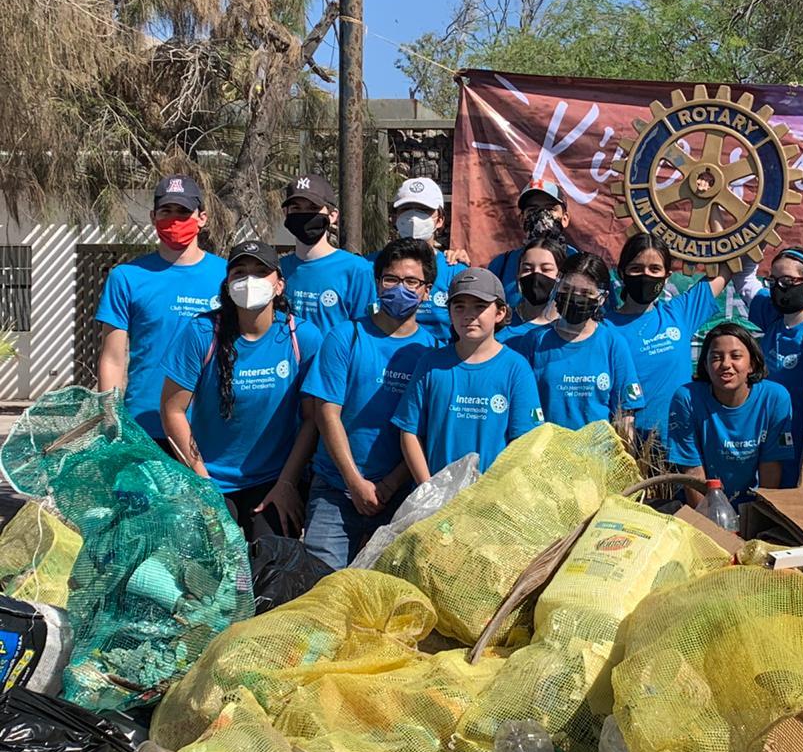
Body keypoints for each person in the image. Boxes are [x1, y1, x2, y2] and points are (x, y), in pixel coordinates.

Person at [159, 241, 322, 541]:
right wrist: (202, 484)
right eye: (240, 272)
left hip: (273, 480)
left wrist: (287, 483)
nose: (250, 280)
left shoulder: (303, 338)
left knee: (274, 569)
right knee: (216, 573)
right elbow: (172, 410)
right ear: (227, 283)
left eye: (261, 272)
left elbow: (313, 420)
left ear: (279, 285)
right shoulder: (202, 333)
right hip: (210, 479)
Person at [301, 238, 439, 569]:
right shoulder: (345, 336)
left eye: (411, 282)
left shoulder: (433, 352)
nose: (400, 289)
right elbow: (326, 414)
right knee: (318, 592)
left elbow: (424, 432)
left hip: (400, 496)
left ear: (427, 291)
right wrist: (353, 480)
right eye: (391, 280)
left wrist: (390, 484)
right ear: (378, 283)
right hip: (335, 490)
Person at [96, 174, 227, 449]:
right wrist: (109, 417)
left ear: (201, 217)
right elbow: (113, 357)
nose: (175, 219)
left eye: (183, 211)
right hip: (143, 424)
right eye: (166, 211)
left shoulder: (227, 275)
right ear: (154, 216)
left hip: (210, 425)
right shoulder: (126, 277)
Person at [394, 268, 543, 477]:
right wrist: (428, 489)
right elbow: (410, 431)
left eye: (480, 306)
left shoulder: (516, 369)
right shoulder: (431, 364)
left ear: (500, 313)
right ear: (449, 313)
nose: (469, 315)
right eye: (459, 307)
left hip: (491, 500)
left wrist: (492, 492)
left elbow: (524, 442)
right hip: (437, 501)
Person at [606, 233, 727, 444]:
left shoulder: (680, 313)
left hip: (683, 443)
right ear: (621, 273)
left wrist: (717, 207)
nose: (645, 275)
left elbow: (727, 264)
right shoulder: (603, 328)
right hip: (628, 445)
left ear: (667, 275)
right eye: (636, 268)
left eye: (654, 269)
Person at [508, 252, 645, 434]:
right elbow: (521, 407)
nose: (576, 298)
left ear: (601, 298)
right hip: (545, 455)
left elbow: (625, 414)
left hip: (597, 457)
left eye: (587, 293)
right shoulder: (534, 341)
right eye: (568, 290)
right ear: (558, 288)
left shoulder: (613, 344)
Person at [667, 322, 793, 508]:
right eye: (716, 357)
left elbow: (771, 467)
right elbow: (692, 471)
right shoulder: (686, 399)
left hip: (752, 505)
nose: (726, 365)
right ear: (705, 364)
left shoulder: (775, 398)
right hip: (702, 505)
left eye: (736, 356)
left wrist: (759, 518)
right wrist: (708, 525)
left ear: (752, 364)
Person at [748, 247, 803, 486]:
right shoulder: (775, 319)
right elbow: (745, 281)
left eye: (787, 281)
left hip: (796, 447)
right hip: (765, 442)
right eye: (772, 280)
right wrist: (743, 236)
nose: (777, 288)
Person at [279, 174, 377, 334]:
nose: (304, 215)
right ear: (285, 213)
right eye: (296, 208)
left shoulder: (357, 270)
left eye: (313, 208)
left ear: (332, 216)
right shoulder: (278, 269)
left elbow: (364, 333)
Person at [373, 175, 466, 345]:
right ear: (394, 217)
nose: (414, 217)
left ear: (440, 220)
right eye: (406, 209)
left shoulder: (454, 270)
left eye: (424, 210)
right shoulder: (370, 265)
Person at [488, 177, 575, 307]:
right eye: (532, 209)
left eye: (550, 209)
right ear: (522, 219)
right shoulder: (501, 265)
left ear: (565, 218)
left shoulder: (579, 263)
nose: (542, 215)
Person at [497, 237, 566, 343]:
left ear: (561, 276)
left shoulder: (570, 329)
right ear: (518, 275)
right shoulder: (501, 326)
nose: (536, 275)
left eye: (546, 269)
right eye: (527, 269)